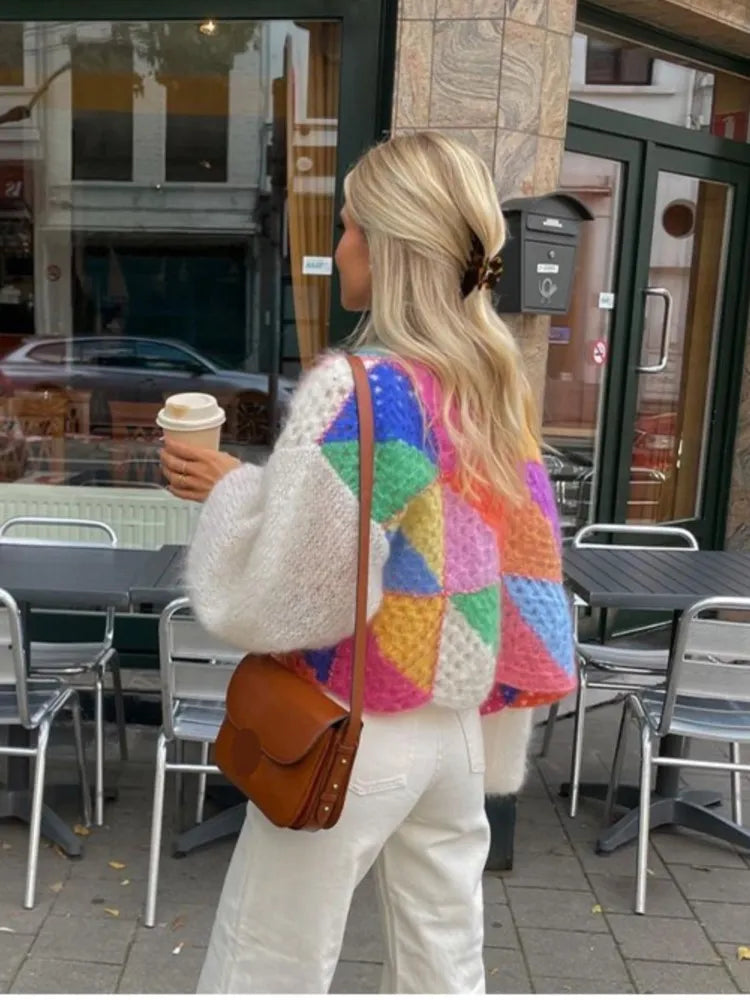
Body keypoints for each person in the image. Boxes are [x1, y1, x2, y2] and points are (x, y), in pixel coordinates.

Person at [161, 131, 576, 995]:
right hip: (456, 731)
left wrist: (232, 497)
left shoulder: (361, 388)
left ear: (386, 247)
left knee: (266, 964)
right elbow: (523, 582)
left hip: (351, 723)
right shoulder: (492, 392)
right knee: (443, 961)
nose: (337, 243)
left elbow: (297, 597)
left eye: (349, 226)